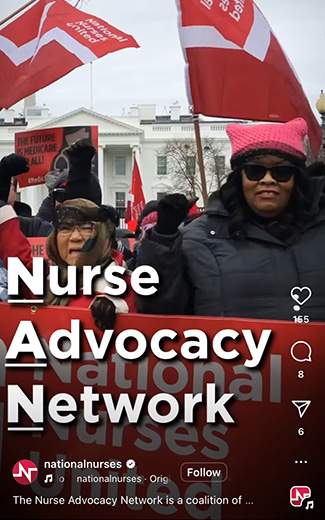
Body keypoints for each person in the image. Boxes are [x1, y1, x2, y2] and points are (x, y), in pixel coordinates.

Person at [136, 117, 325, 321]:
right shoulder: (197, 239)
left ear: (297, 178)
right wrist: (163, 240)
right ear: (239, 177)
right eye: (255, 171)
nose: (268, 180)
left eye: (282, 172)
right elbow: (159, 308)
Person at [0, 196, 136, 329]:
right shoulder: (50, 282)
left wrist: (114, 308)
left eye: (87, 228)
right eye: (66, 228)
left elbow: (134, 306)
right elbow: (19, 262)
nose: (75, 237)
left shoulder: (127, 283)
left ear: (102, 236)